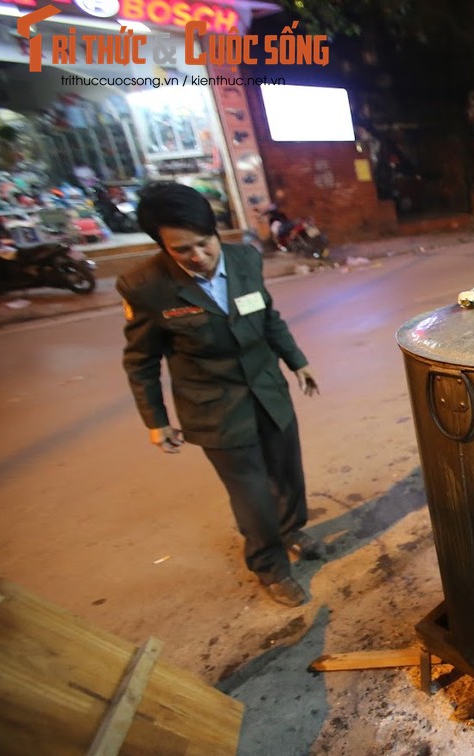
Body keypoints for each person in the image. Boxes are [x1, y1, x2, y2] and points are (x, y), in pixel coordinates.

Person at [116, 182, 322, 608]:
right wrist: (155, 420)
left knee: (287, 474)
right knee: (251, 495)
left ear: (215, 232)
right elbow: (140, 360)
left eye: (204, 243)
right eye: (183, 250)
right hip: (214, 410)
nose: (199, 256)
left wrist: (296, 361)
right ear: (163, 247)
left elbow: (268, 318)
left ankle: (291, 530)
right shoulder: (145, 286)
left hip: (268, 390)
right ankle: (269, 565)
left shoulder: (245, 259)